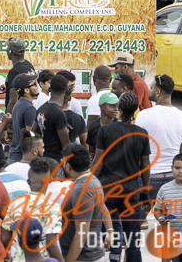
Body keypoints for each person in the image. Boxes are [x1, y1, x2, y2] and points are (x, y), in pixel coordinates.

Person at [92, 91, 150, 262]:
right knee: (133, 243)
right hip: (131, 192)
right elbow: (145, 165)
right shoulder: (142, 134)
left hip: (108, 191)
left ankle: (114, 256)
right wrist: (145, 192)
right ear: (135, 110)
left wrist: (88, 183)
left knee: (108, 233)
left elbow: (98, 161)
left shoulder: (105, 130)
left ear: (119, 108)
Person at [136, 74, 182, 201]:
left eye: (151, 88)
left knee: (143, 213)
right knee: (171, 213)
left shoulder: (143, 116)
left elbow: (137, 150)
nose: (149, 91)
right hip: (174, 177)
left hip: (149, 177)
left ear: (158, 92)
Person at [1, 157, 64, 262]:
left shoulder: (14, 204)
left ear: (28, 182)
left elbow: (4, 238)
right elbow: (51, 244)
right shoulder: (53, 207)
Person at [60, 144, 107, 262]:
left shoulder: (82, 190)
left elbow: (81, 234)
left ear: (68, 166)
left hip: (84, 258)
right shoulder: (92, 180)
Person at [31, 75, 70, 165]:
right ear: (66, 91)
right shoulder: (59, 113)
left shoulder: (41, 109)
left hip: (42, 159)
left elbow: (33, 134)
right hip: (56, 162)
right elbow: (66, 145)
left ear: (49, 89)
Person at [4, 73, 40, 164]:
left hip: (14, 156)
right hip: (22, 158)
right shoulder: (29, 108)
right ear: (27, 90)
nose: (37, 86)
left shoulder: (19, 104)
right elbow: (30, 136)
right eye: (34, 84)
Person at [4, 37, 36, 117]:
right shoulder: (29, 65)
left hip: (17, 116)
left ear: (11, 51)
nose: (6, 50)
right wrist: (8, 87)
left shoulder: (14, 72)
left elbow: (13, 102)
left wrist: (7, 120)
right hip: (26, 112)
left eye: (7, 47)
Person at [85, 91, 118, 158]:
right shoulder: (93, 126)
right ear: (102, 106)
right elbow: (91, 151)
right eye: (112, 106)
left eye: (117, 106)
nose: (116, 109)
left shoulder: (119, 126)